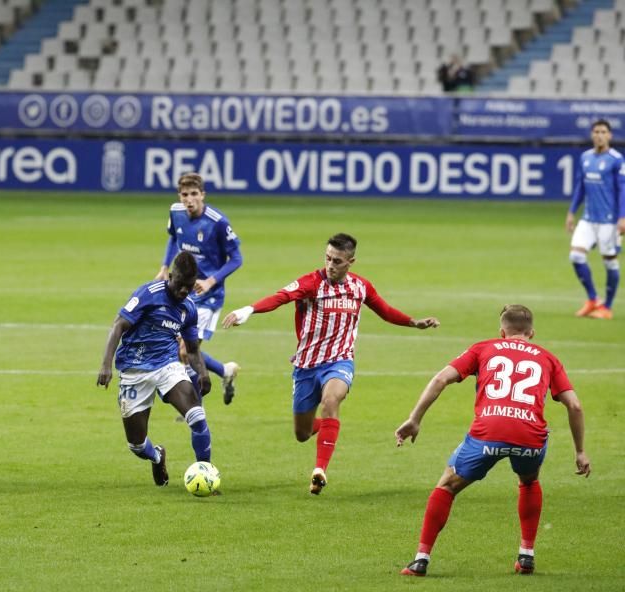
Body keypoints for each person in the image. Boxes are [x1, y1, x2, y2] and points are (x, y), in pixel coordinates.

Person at [222, 233, 439, 495]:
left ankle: (319, 470)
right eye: (327, 258)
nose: (330, 265)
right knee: (302, 433)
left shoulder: (361, 287)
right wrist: (249, 309)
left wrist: (413, 322)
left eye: (337, 260)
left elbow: (384, 309)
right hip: (306, 365)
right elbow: (280, 297)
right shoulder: (311, 283)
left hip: (339, 361)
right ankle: (327, 428)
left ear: (351, 261)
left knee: (331, 401)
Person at [396, 305, 590, 577]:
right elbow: (575, 406)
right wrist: (580, 451)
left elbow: (441, 379)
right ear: (531, 332)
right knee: (529, 481)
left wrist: (414, 419)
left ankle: (420, 560)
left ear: (502, 332)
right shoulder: (549, 358)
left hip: (489, 431)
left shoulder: (483, 348)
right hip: (529, 437)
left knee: (447, 485)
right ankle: (526, 556)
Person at [98, 251, 213, 486]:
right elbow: (119, 325)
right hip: (134, 369)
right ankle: (157, 456)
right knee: (137, 445)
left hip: (167, 365)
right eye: (180, 285)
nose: (184, 291)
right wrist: (106, 365)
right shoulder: (149, 294)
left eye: (189, 287)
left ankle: (207, 474)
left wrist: (202, 372)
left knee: (197, 416)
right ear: (171, 277)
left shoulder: (188, 308)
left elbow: (191, 348)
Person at [155, 172, 243, 405]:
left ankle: (195, 410)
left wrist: (211, 281)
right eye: (185, 194)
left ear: (202, 194)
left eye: (194, 194)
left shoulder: (217, 222)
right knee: (180, 349)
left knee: (185, 351)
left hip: (208, 296)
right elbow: (174, 238)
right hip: (183, 291)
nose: (189, 199)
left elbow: (236, 258)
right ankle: (224, 371)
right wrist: (165, 266)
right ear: (179, 196)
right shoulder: (175, 212)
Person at [565, 119, 625, 320]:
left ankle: (606, 307)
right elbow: (580, 187)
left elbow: (623, 190)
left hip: (609, 220)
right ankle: (592, 299)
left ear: (609, 135)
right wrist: (572, 212)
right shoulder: (585, 157)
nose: (599, 135)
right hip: (588, 218)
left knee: (609, 261)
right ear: (592, 135)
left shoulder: (617, 160)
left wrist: (622, 217)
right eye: (596, 131)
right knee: (576, 256)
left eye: (603, 132)